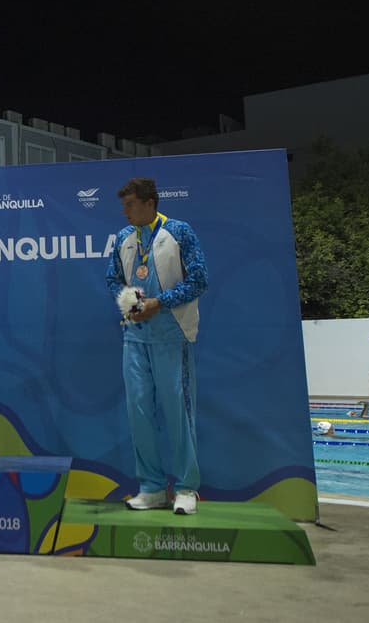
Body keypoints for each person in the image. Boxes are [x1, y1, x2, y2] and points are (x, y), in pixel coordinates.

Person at [105, 176, 209, 516]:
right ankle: (151, 487)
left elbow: (198, 279)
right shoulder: (123, 237)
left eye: (130, 204)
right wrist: (129, 302)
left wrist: (158, 303)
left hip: (172, 333)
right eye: (123, 204)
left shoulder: (179, 232)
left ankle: (186, 488)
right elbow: (112, 279)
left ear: (150, 203)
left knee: (177, 410)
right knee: (138, 412)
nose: (125, 210)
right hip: (134, 337)